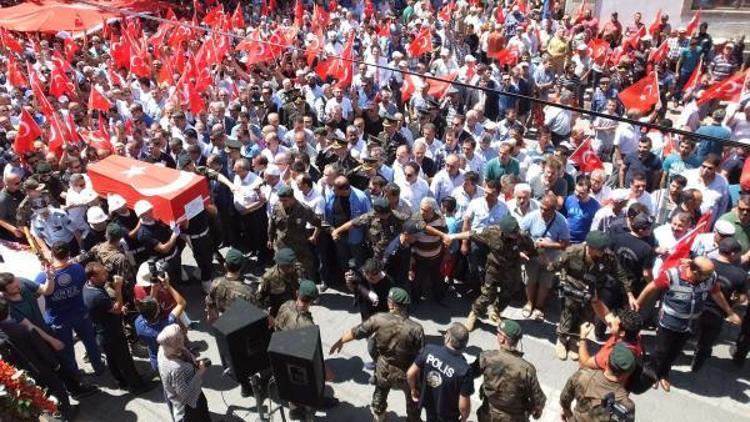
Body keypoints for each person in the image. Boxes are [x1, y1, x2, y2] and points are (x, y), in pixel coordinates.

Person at [636, 257, 741, 391]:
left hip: (689, 325)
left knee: (674, 352)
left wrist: (729, 312)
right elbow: (651, 287)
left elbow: (716, 293)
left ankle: (663, 374)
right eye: (707, 274)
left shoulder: (710, 278)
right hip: (669, 324)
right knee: (661, 351)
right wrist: (638, 304)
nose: (711, 277)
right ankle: (651, 373)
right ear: (695, 272)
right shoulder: (672, 276)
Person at [330, 288, 425, 422]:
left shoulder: (378, 319)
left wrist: (340, 341)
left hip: (383, 368)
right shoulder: (416, 329)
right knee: (412, 400)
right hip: (406, 372)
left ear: (391, 303)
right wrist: (416, 384)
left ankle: (379, 417)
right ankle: (413, 419)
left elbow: (356, 332)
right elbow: (421, 357)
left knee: (380, 392)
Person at [549, 231, 633, 361]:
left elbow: (620, 274)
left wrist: (629, 293)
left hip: (592, 294)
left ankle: (574, 341)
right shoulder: (573, 252)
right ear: (590, 247)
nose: (604, 251)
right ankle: (561, 339)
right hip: (573, 289)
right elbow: (554, 266)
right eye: (601, 249)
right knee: (569, 314)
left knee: (585, 318)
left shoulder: (608, 257)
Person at [445, 215, 536, 330]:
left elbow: (532, 250)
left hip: (512, 269)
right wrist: (453, 236)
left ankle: (496, 311)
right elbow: (470, 234)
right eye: (512, 233)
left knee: (508, 294)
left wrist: (524, 254)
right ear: (504, 232)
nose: (515, 235)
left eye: (516, 231)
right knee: (487, 294)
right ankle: (474, 314)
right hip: (494, 268)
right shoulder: (492, 232)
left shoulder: (522, 236)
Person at [34, 241, 104, 375]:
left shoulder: (43, 276)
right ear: (69, 253)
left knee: (66, 349)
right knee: (90, 342)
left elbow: (35, 294)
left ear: (52, 254)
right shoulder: (77, 268)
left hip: (58, 319)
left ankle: (75, 374)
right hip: (80, 313)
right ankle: (98, 367)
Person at [82, 262, 151, 393]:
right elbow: (116, 308)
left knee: (112, 359)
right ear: (92, 278)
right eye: (102, 274)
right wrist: (118, 289)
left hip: (103, 331)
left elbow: (108, 306)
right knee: (125, 360)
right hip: (111, 333)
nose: (106, 275)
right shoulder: (95, 295)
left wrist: (115, 306)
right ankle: (137, 386)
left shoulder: (89, 287)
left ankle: (121, 382)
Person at [472, 320, 546, 421]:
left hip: (488, 414)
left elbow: (468, 374)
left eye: (498, 333)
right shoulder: (527, 369)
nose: (496, 335)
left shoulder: (486, 357)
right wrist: (537, 412)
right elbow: (538, 399)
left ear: (502, 339)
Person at [692, 238, 747, 372]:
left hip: (696, 306)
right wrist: (733, 303)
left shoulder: (706, 264)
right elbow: (742, 298)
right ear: (733, 254)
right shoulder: (741, 274)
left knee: (686, 333)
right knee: (707, 341)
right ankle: (697, 364)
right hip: (716, 313)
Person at [407, 323, 473, 422]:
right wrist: (464, 416)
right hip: (449, 414)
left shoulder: (429, 350)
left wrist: (413, 389)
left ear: (449, 337)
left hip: (429, 404)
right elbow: (463, 404)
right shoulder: (464, 369)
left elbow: (410, 373)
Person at [560, 344, 637, 421]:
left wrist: (569, 416)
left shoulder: (583, 375)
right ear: (627, 374)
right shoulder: (627, 405)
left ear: (606, 362)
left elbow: (564, 399)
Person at [134, 270, 187, 371]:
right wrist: (168, 285)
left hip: (157, 360)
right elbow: (181, 303)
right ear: (158, 311)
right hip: (173, 359)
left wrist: (154, 289)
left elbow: (148, 308)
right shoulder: (167, 323)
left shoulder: (138, 323)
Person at [157, 324, 211, 422]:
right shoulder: (176, 368)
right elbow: (184, 394)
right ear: (178, 343)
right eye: (182, 334)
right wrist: (199, 372)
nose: (184, 333)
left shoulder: (162, 348)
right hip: (190, 406)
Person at [268, 185, 322, 279]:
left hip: (299, 247)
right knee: (281, 270)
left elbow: (318, 222)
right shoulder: (277, 207)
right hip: (281, 245)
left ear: (292, 198)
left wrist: (332, 230)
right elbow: (272, 224)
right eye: (280, 200)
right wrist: (270, 239)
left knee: (302, 272)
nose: (282, 203)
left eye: (285, 200)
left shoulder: (303, 209)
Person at [205, 248, 257, 324]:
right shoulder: (247, 291)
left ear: (225, 265)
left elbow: (209, 302)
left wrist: (210, 316)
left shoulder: (216, 282)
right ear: (241, 268)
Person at [255, 247, 305, 317]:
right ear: (281, 265)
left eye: (294, 264)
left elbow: (303, 283)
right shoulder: (269, 278)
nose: (294, 267)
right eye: (289, 266)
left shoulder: (298, 268)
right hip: (279, 314)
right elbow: (258, 299)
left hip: (296, 309)